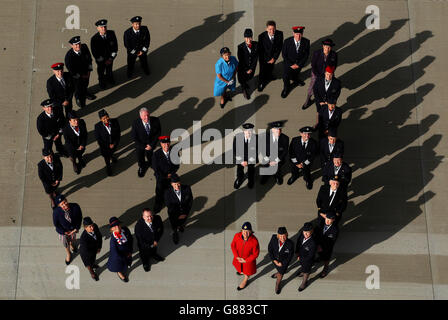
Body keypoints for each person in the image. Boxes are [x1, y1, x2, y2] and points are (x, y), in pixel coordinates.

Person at [303, 39, 338, 110]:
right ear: (323, 46)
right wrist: (318, 75)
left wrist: (330, 73)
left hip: (328, 73)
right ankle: (308, 100)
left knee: (329, 88)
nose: (327, 49)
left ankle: (326, 101)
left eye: (329, 47)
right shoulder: (317, 53)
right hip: (316, 73)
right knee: (312, 87)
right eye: (326, 47)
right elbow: (313, 65)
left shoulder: (334, 54)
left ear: (331, 48)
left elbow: (334, 65)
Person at [64, 36, 94, 109]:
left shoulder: (84, 47)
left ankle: (85, 93)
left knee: (86, 84)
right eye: (76, 44)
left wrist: (89, 72)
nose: (78, 46)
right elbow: (72, 71)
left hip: (86, 72)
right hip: (76, 76)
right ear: (72, 45)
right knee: (78, 88)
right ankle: (78, 99)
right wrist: (81, 76)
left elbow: (89, 59)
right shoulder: (69, 57)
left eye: (79, 43)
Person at [52, 194, 82, 265]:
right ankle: (68, 254)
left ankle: (72, 245)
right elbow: (56, 224)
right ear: (59, 206)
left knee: (72, 239)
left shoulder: (75, 206)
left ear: (66, 200)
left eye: (65, 202)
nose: (65, 205)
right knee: (65, 243)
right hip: (63, 231)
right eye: (62, 204)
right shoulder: (56, 212)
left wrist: (76, 228)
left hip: (73, 230)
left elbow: (79, 218)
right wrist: (64, 232)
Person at [131, 107, 161, 177]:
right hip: (140, 145)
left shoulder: (156, 120)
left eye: (148, 115)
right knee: (140, 157)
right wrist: (144, 146)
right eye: (144, 116)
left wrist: (152, 144)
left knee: (150, 155)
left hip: (151, 144)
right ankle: (141, 167)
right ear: (140, 116)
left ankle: (151, 164)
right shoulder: (135, 123)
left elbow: (158, 133)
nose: (147, 117)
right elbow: (134, 137)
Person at [153, 136, 180, 213]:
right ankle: (158, 205)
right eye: (164, 143)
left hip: (171, 175)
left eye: (168, 143)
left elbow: (177, 165)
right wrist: (165, 176)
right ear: (161, 144)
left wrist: (171, 174)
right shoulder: (156, 155)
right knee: (159, 192)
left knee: (171, 190)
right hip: (161, 177)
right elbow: (156, 169)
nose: (166, 145)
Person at [281, 26, 310, 98]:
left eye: (300, 34)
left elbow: (306, 55)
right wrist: (290, 64)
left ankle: (295, 79)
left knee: (296, 74)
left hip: (298, 65)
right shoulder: (287, 41)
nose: (298, 36)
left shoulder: (306, 42)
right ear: (293, 33)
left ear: (302, 34)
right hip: (288, 65)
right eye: (297, 34)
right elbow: (284, 55)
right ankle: (286, 88)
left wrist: (299, 64)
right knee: (286, 77)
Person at [164, 174, 193, 245]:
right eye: (175, 184)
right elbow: (169, 205)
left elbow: (190, 201)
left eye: (178, 184)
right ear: (171, 184)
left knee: (182, 221)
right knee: (174, 224)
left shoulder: (187, 188)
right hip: (173, 213)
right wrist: (177, 215)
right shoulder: (167, 192)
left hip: (184, 212)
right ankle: (175, 233)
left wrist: (185, 213)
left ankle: (180, 226)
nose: (177, 186)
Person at [231, 222, 260, 291]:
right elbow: (233, 245)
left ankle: (245, 280)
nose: (245, 233)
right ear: (241, 231)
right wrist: (236, 256)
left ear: (250, 232)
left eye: (247, 231)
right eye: (244, 231)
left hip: (248, 261)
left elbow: (256, 254)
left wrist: (246, 260)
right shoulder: (237, 236)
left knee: (247, 271)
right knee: (239, 268)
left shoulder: (254, 241)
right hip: (238, 259)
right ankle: (241, 271)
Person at [90, 19, 118, 88]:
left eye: (105, 26)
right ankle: (101, 82)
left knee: (109, 69)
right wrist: (103, 61)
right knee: (101, 71)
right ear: (98, 28)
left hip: (110, 58)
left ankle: (110, 78)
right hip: (101, 60)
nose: (104, 28)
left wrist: (111, 58)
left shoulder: (111, 33)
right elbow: (95, 53)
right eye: (101, 27)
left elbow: (115, 48)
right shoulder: (94, 39)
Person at [260, 121, 289, 185]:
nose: (278, 131)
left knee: (277, 169)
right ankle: (266, 175)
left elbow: (285, 151)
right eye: (276, 129)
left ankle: (277, 176)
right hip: (267, 158)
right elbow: (262, 149)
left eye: (280, 129)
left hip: (278, 159)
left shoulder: (285, 138)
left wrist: (276, 161)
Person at [257, 20, 283, 91]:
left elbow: (279, 47)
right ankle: (261, 83)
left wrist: (274, 58)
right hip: (264, 58)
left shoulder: (280, 34)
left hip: (273, 57)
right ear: (267, 29)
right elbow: (261, 50)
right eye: (270, 29)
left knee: (271, 68)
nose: (272, 31)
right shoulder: (261, 36)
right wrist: (268, 59)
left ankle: (269, 75)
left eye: (273, 29)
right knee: (262, 71)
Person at [268, 227, 294, 294]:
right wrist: (274, 260)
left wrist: (282, 263)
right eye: (280, 236)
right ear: (277, 235)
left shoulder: (290, 244)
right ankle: (278, 273)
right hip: (275, 260)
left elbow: (289, 257)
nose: (282, 238)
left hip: (283, 263)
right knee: (278, 270)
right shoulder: (273, 238)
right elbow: (270, 250)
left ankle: (277, 284)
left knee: (281, 273)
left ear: (287, 234)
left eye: (284, 236)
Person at [94, 109, 121, 176]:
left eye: (107, 117)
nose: (106, 119)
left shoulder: (115, 121)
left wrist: (114, 143)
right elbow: (98, 139)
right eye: (104, 118)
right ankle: (108, 168)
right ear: (101, 119)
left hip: (114, 144)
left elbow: (118, 133)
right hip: (104, 146)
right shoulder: (97, 126)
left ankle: (112, 156)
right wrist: (107, 145)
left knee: (112, 152)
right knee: (106, 158)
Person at [107, 217, 133, 282]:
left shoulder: (125, 229)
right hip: (119, 256)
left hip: (127, 251)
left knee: (127, 263)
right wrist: (124, 257)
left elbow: (130, 239)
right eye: (114, 227)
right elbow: (115, 254)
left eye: (118, 225)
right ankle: (119, 273)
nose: (117, 228)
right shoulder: (113, 241)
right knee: (119, 266)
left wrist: (130, 250)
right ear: (112, 229)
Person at [233, 123, 258, 189]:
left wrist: (249, 161)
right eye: (247, 131)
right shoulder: (237, 137)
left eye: (250, 131)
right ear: (244, 131)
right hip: (241, 159)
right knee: (240, 170)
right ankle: (240, 179)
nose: (248, 133)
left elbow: (258, 151)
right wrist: (241, 161)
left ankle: (251, 181)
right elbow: (235, 150)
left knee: (251, 170)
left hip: (251, 159)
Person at [314, 211, 339, 278]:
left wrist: (322, 247)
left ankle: (325, 268)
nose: (327, 221)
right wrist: (318, 244)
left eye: (329, 220)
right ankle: (320, 258)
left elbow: (331, 242)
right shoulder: (321, 224)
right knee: (320, 254)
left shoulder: (335, 230)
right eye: (326, 219)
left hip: (327, 247)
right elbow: (316, 233)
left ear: (333, 220)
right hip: (319, 244)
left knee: (326, 258)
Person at [79, 217, 102, 281]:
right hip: (86, 253)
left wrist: (99, 247)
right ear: (85, 228)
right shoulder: (83, 239)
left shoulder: (95, 227)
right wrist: (88, 264)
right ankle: (92, 273)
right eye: (90, 227)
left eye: (92, 225)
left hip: (94, 249)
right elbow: (85, 252)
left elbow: (99, 236)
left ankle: (93, 264)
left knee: (93, 259)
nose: (92, 228)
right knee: (89, 264)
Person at [295, 222, 317, 292]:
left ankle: (304, 282)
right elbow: (298, 243)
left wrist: (302, 258)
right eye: (304, 232)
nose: (305, 234)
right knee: (302, 266)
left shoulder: (313, 243)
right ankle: (302, 271)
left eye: (308, 232)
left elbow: (310, 255)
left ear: (312, 232)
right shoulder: (301, 236)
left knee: (306, 271)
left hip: (308, 260)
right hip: (301, 257)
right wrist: (297, 252)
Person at [237, 28, 258, 100]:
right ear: (244, 38)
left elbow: (255, 58)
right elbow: (241, 60)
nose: (248, 40)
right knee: (242, 80)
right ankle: (244, 91)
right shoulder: (240, 47)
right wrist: (246, 69)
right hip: (243, 68)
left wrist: (251, 68)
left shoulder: (256, 45)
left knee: (248, 78)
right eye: (246, 37)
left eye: (250, 37)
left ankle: (245, 84)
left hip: (251, 68)